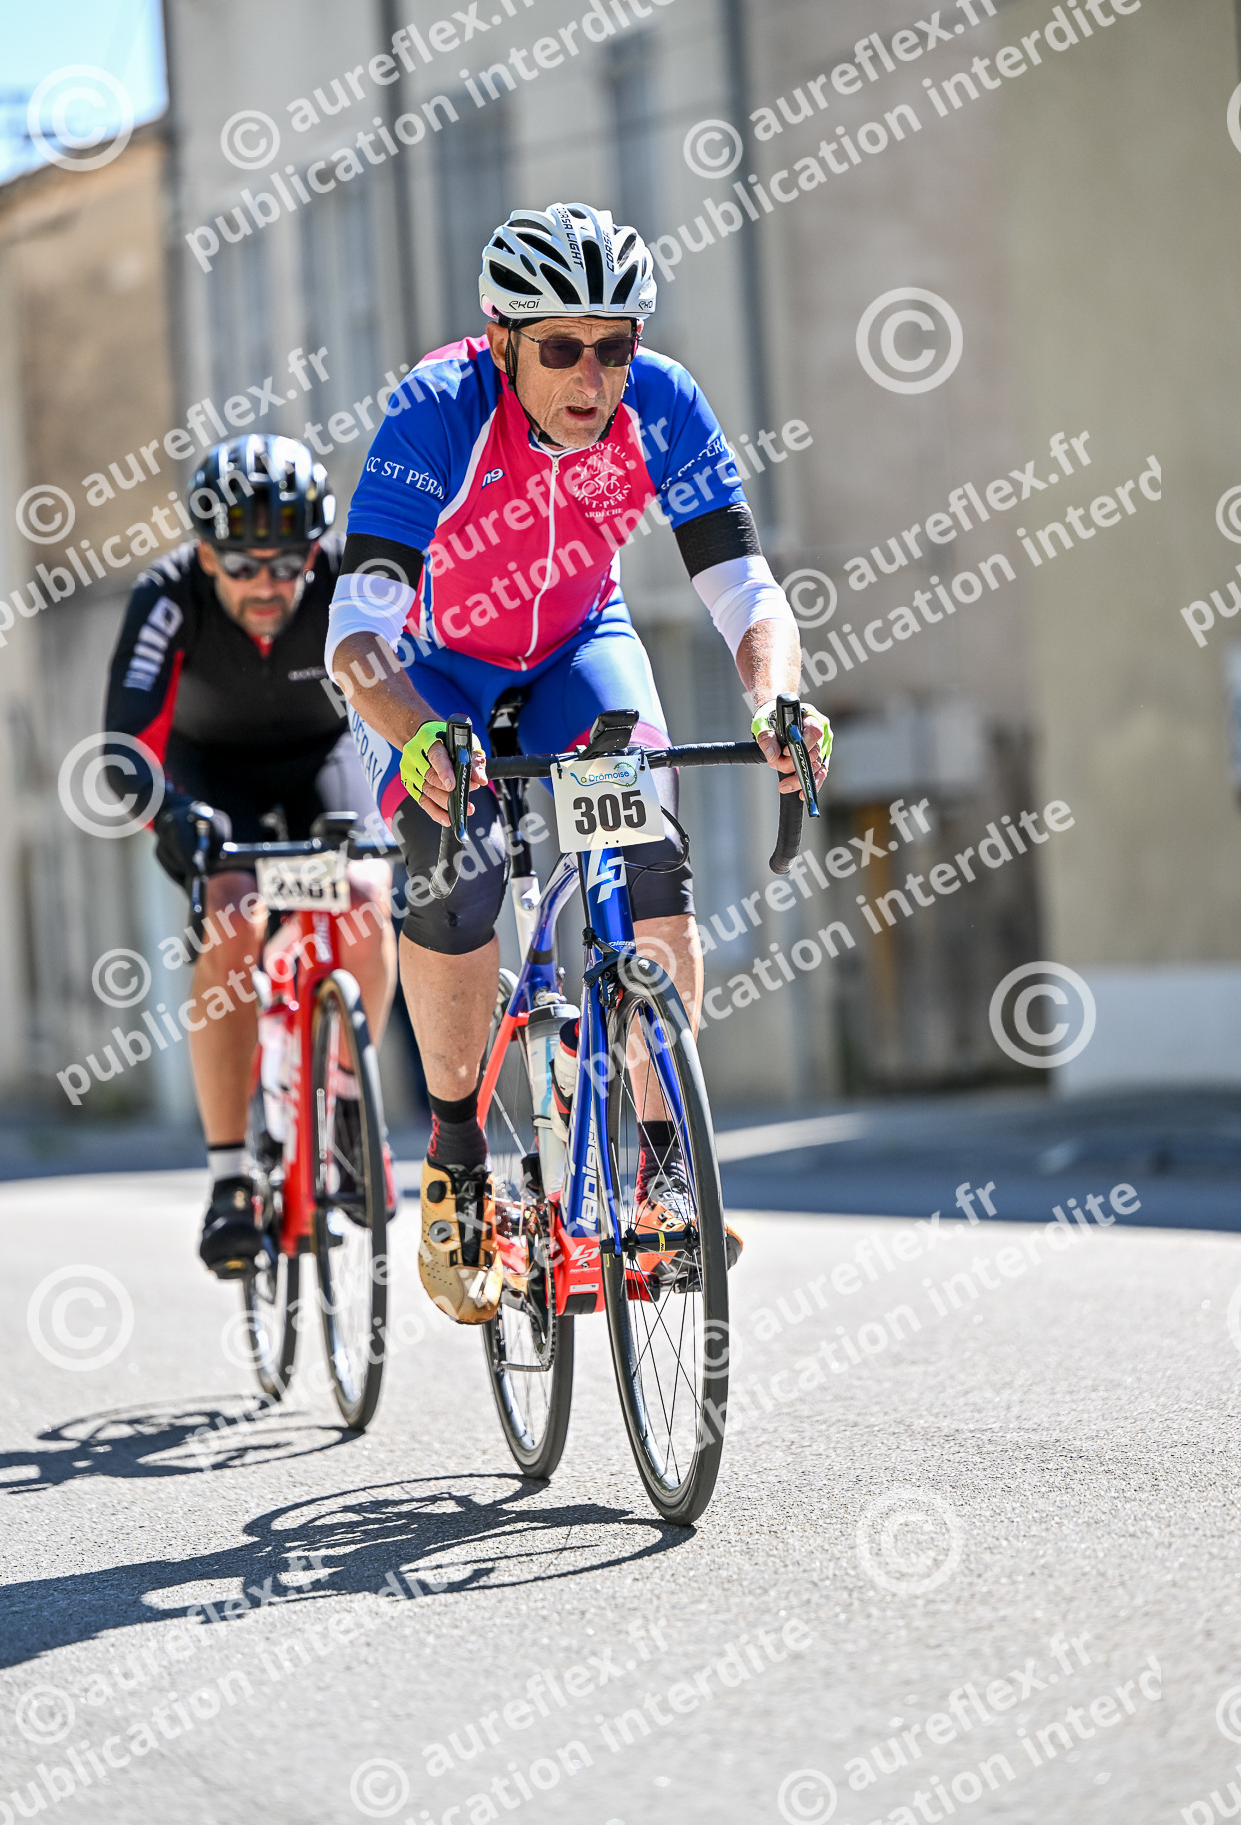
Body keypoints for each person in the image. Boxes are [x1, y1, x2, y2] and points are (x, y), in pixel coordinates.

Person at [326, 202, 832, 1325]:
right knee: (453, 862)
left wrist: (775, 696)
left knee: (650, 853)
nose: (592, 376)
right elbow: (354, 633)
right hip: (433, 666)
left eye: (615, 345)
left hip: (574, 647)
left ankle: (665, 1166)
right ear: (502, 338)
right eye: (561, 348)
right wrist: (411, 729)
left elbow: (745, 589)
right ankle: (457, 1162)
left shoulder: (663, 404)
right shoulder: (436, 407)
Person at [103, 434, 397, 1276]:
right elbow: (123, 750)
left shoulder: (345, 580)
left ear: (316, 550)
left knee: (366, 897)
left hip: (322, 760)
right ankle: (231, 1177)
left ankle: (349, 1111)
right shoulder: (168, 595)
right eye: (242, 566)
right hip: (208, 778)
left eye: (288, 563)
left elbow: (414, 682)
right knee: (234, 919)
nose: (268, 585)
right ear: (206, 555)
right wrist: (171, 815)